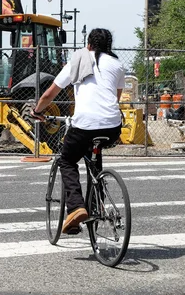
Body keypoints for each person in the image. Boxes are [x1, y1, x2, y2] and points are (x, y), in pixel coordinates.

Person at [30, 28, 125, 234]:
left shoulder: (77, 61)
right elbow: (114, 99)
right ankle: (96, 204)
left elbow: (49, 94)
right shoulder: (117, 65)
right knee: (94, 155)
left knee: (67, 160)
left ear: (88, 44)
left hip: (85, 124)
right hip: (112, 126)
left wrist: (37, 111)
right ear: (108, 45)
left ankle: (76, 208)